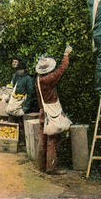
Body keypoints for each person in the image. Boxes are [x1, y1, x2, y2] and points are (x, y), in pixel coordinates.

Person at [35, 45, 73, 175]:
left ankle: (41, 165)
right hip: (51, 113)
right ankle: (51, 168)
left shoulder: (38, 79)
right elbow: (61, 69)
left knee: (43, 139)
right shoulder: (48, 79)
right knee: (52, 140)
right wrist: (66, 54)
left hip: (42, 112)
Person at [5, 57, 37, 145]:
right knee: (11, 121)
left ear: (23, 70)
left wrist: (25, 107)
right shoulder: (17, 77)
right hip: (15, 103)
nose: (18, 71)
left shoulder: (28, 79)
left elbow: (30, 94)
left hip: (22, 104)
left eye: (20, 70)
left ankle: (22, 141)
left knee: (21, 124)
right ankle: (11, 140)